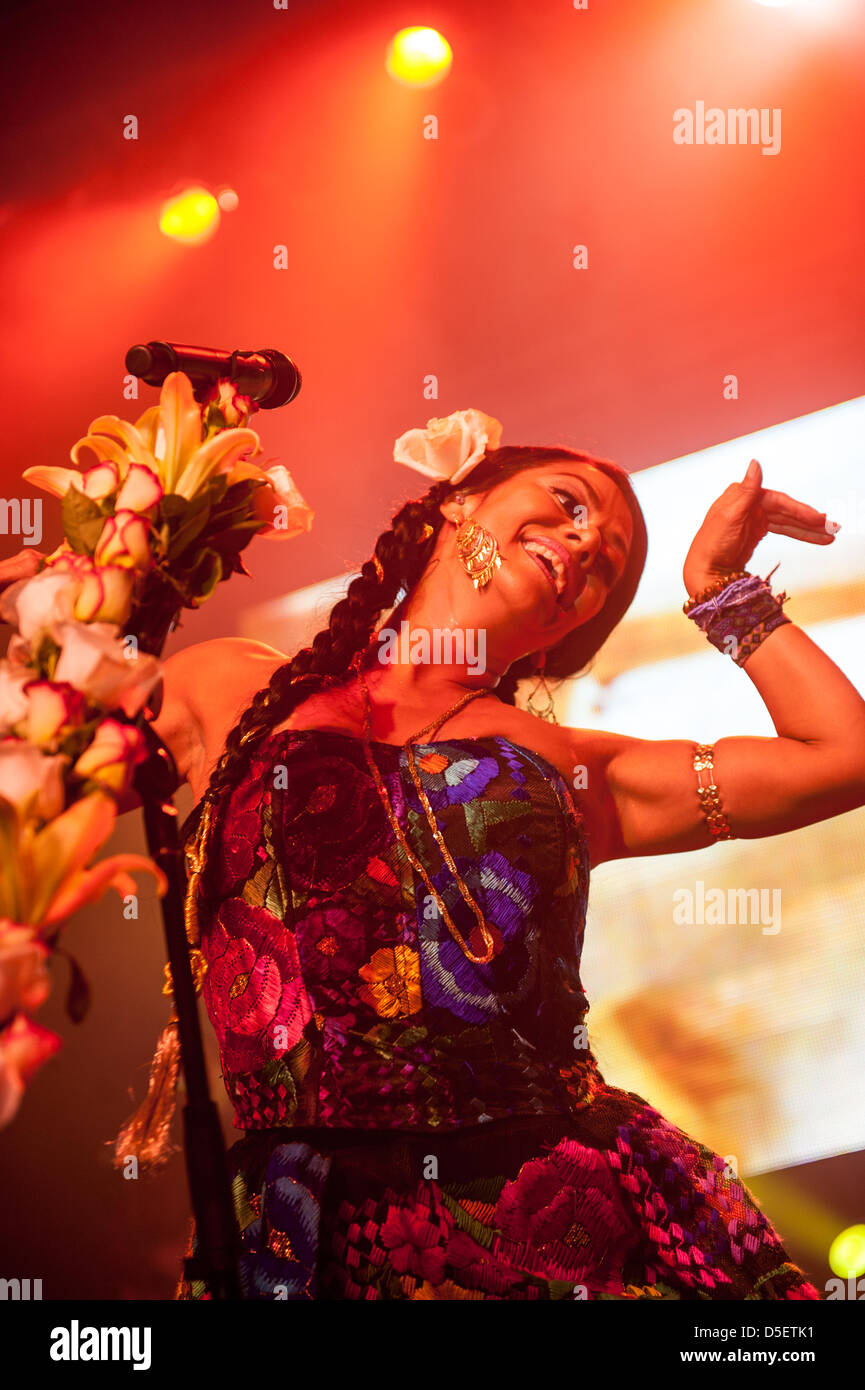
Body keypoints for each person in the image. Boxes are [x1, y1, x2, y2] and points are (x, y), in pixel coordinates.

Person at [4, 419, 863, 1300]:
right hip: (301, 1230)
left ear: (563, 632)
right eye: (569, 506)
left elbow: (839, 756)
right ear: (457, 501)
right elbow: (25, 773)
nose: (584, 541)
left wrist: (722, 589)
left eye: (603, 563)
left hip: (547, 1211)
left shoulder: (578, 769)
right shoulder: (226, 687)